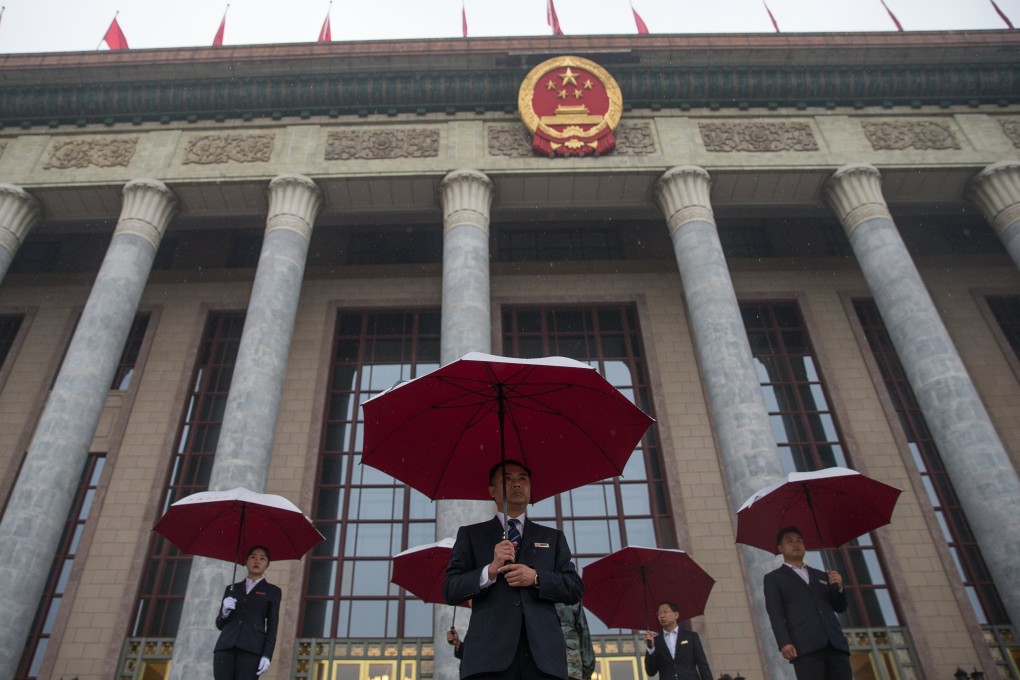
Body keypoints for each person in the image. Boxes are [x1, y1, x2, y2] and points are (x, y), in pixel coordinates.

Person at [443, 460, 584, 680]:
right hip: (488, 659)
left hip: (543, 660)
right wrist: (489, 571)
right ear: (492, 490)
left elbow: (574, 588)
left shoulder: (552, 538)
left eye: (522, 478)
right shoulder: (471, 535)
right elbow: (451, 589)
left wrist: (536, 577)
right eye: (507, 478)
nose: (516, 484)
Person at [763, 526, 853, 680]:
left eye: (799, 541)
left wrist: (838, 587)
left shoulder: (822, 575)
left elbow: (840, 607)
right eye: (789, 541)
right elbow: (775, 613)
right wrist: (784, 642)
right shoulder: (774, 578)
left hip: (835, 645)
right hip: (805, 647)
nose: (796, 544)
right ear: (780, 548)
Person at [449, 601, 595, 680]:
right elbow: (584, 633)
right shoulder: (569, 594)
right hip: (566, 667)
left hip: (548, 666)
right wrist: (587, 670)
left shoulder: (531, 598)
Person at [214, 545, 281, 679]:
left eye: (262, 558)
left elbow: (272, 627)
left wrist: (267, 655)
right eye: (252, 557)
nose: (257, 561)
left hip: (251, 649)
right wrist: (224, 611)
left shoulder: (272, 591)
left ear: (267, 564)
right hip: (226, 646)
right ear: (245, 561)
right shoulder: (232, 588)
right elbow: (220, 625)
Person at [643, 601, 713, 680]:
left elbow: (702, 665)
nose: (661, 616)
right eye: (658, 613)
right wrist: (651, 649)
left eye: (665, 612)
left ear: (676, 615)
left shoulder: (691, 637)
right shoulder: (655, 641)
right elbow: (651, 672)